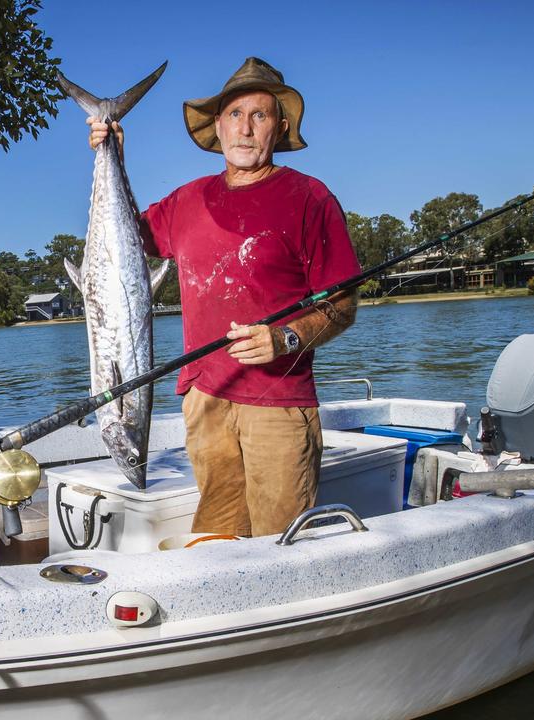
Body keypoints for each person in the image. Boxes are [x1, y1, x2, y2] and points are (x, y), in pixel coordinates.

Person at [87, 57, 360, 538]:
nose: (246, 128)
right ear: (218, 126)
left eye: (260, 115)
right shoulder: (187, 200)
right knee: (216, 533)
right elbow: (125, 238)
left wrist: (287, 338)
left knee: (283, 539)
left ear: (279, 126)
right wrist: (114, 157)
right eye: (235, 115)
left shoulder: (310, 198)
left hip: (278, 401)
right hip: (205, 398)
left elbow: (343, 304)